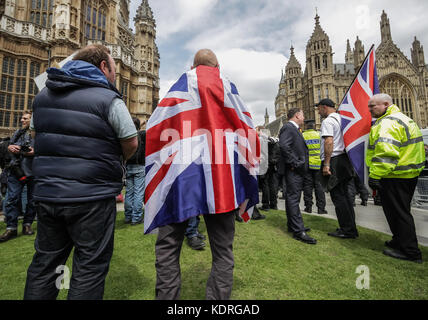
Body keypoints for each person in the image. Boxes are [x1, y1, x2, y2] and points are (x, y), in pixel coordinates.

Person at [24, 44, 138, 299]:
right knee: (89, 268)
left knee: (45, 267)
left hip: (49, 193)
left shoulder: (42, 97)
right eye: (113, 70)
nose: (114, 77)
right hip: (91, 196)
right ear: (102, 67)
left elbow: (35, 135)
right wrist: (113, 158)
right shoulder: (108, 98)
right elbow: (131, 141)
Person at [153, 49, 258, 300]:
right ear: (217, 66)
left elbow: (156, 128)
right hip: (222, 183)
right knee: (223, 251)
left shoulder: (179, 87)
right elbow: (249, 131)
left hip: (179, 183)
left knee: (167, 248)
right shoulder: (228, 88)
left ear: (192, 65)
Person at [367, 93, 424, 263]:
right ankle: (399, 240)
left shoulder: (388, 123)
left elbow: (386, 153)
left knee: (399, 213)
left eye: (373, 106)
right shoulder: (403, 118)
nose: (370, 109)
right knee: (395, 211)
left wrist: (375, 175)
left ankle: (410, 252)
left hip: (395, 174)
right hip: (407, 173)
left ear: (385, 104)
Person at [317, 98, 359, 239]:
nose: (318, 111)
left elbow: (329, 142)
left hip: (334, 160)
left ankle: (346, 230)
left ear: (324, 107)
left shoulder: (328, 121)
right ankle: (351, 227)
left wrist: (327, 163)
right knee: (346, 196)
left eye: (319, 108)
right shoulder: (342, 119)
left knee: (338, 197)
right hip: (345, 160)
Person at [278, 108, 316, 245]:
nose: (304, 117)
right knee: (293, 198)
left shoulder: (293, 128)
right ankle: (298, 231)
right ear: (297, 115)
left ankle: (293, 225)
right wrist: (294, 163)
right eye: (303, 114)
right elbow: (283, 146)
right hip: (293, 170)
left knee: (293, 198)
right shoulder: (289, 127)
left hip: (296, 169)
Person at [0, 112, 36, 242]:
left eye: (25, 118)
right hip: (15, 170)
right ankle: (11, 228)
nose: (22, 120)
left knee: (32, 201)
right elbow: (8, 146)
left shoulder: (39, 134)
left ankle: (27, 225)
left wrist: (36, 151)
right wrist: (10, 146)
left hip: (33, 170)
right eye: (22, 118)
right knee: (12, 199)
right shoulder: (18, 133)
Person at [302, 119, 327, 215]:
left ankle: (308, 207)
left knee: (307, 186)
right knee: (319, 187)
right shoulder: (319, 135)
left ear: (306, 127)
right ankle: (321, 208)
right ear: (314, 126)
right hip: (318, 164)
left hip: (307, 165)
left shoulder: (303, 136)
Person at [124, 117, 146, 225]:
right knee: (138, 193)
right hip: (139, 166)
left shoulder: (127, 136)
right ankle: (136, 218)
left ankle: (128, 216)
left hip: (128, 166)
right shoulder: (142, 135)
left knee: (129, 193)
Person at [260, 137, 280, 211]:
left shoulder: (264, 142)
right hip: (273, 165)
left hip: (265, 165)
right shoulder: (276, 143)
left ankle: (265, 205)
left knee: (265, 185)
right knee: (273, 185)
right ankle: (274, 204)